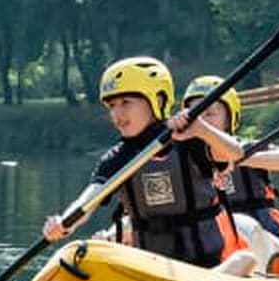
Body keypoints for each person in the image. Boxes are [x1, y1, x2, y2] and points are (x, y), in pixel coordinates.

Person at [42, 57, 247, 268]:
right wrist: (65, 222)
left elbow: (235, 154)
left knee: (245, 260)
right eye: (111, 105)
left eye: (125, 103)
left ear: (157, 101)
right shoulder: (116, 158)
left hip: (206, 265)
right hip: (150, 268)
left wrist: (202, 130)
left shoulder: (188, 139)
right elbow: (89, 199)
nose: (116, 114)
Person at [181, 75, 279, 272]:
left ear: (229, 118)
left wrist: (238, 157)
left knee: (240, 223)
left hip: (265, 243)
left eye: (210, 114)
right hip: (216, 244)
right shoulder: (180, 156)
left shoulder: (244, 147)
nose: (202, 122)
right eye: (196, 115)